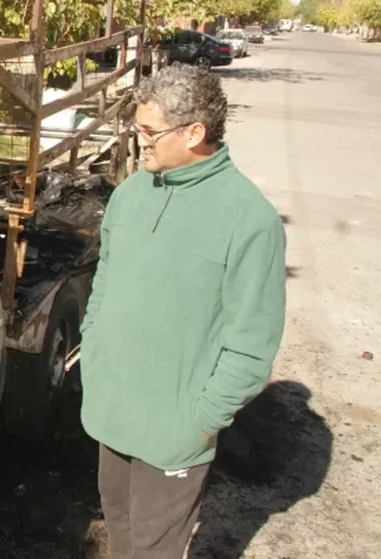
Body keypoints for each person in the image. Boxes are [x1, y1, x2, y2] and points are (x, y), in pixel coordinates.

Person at [78, 63, 287, 558]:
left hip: (175, 431)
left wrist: (203, 420)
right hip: (111, 411)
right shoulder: (131, 194)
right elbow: (105, 276)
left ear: (195, 133)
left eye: (150, 132)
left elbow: (252, 346)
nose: (140, 141)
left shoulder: (249, 221)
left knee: (153, 549)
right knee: (119, 528)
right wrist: (94, 344)